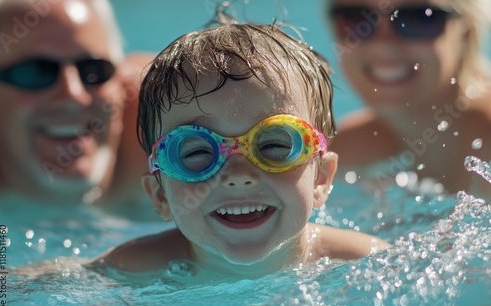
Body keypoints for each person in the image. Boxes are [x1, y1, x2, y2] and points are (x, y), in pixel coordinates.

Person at [92, 20, 391, 278]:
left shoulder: (366, 263)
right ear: (160, 195)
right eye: (197, 153)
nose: (237, 175)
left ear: (322, 179)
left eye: (274, 145)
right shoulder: (131, 268)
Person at [0, 0, 155, 220]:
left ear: (119, 79)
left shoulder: (167, 116)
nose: (73, 96)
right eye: (36, 71)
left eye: (94, 70)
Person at [324, 0, 491, 198]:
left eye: (417, 18)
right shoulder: (342, 152)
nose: (383, 44)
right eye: (355, 18)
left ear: (466, 33)